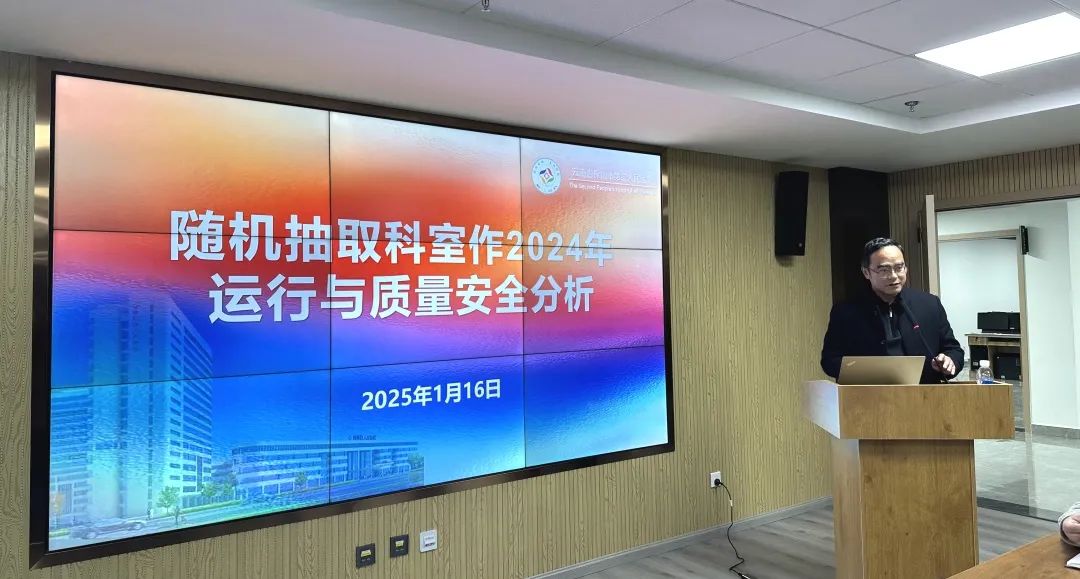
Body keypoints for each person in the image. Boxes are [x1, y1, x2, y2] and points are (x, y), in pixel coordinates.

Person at [821, 238, 964, 384]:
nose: (894, 276)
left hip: (924, 394)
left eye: (899, 268)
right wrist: (864, 370)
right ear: (866, 272)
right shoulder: (846, 312)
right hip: (868, 394)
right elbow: (830, 360)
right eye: (884, 270)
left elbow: (954, 351)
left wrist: (948, 362)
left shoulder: (929, 304)